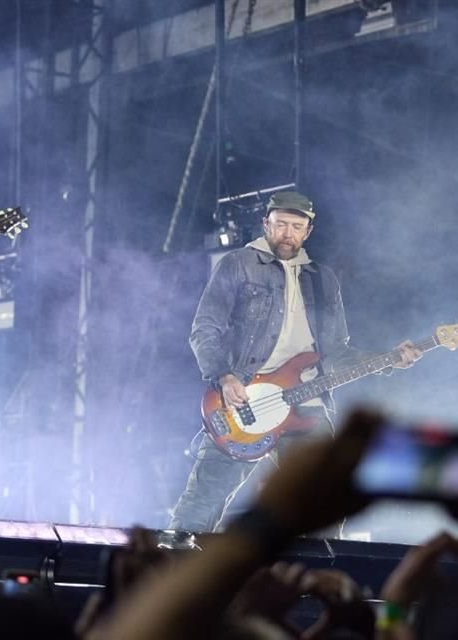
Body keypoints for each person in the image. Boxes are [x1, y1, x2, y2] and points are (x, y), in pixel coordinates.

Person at [168, 191, 421, 534]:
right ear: (265, 224)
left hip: (306, 405)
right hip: (245, 399)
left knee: (323, 506)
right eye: (280, 225)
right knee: (201, 504)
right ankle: (167, 574)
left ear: (308, 231)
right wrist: (224, 377)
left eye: (296, 226)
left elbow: (336, 352)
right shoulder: (239, 264)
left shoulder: (323, 279)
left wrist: (389, 358)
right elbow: (205, 328)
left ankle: (311, 582)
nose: (287, 233)